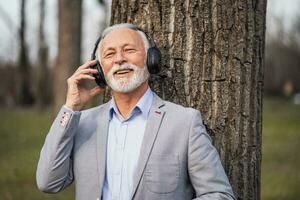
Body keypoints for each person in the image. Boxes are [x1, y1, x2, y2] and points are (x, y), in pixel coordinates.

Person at [36, 23, 236, 200]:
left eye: (129, 50)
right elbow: (48, 182)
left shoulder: (184, 123)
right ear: (99, 70)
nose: (119, 59)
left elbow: (219, 194)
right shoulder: (82, 123)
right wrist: (71, 108)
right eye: (109, 54)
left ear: (151, 60)